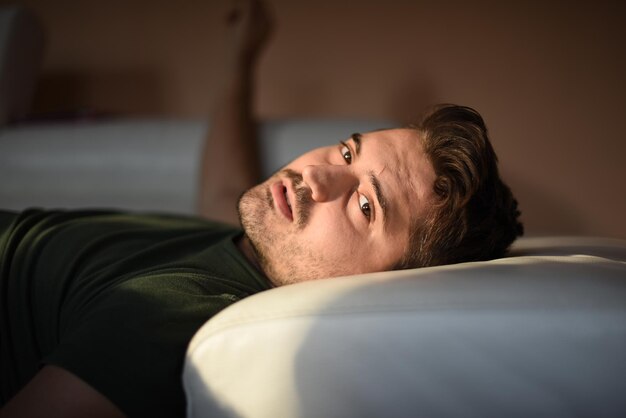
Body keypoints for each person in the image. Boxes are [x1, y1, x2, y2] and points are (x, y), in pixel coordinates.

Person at [0, 0, 522, 417]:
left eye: (365, 206)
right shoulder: (254, 247)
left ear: (388, 283)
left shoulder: (170, 321)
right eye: (347, 151)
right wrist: (240, 59)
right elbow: (223, 188)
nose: (317, 176)